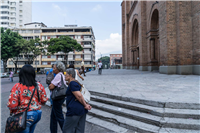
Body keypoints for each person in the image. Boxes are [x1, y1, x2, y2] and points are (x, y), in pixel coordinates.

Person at [7, 64, 48, 133]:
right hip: (37, 114)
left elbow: (12, 105)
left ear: (21, 74)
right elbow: (44, 100)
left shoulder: (17, 86)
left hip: (24, 116)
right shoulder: (39, 85)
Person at [63, 68, 92, 133]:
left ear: (70, 75)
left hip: (74, 111)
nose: (64, 76)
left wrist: (85, 105)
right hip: (81, 110)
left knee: (67, 130)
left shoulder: (72, 83)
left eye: (66, 74)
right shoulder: (76, 82)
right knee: (79, 130)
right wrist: (86, 105)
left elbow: (79, 96)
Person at [49, 61, 66, 133]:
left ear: (58, 69)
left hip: (57, 98)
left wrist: (51, 85)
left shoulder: (58, 76)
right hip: (60, 97)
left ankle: (66, 131)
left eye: (54, 68)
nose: (53, 69)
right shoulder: (62, 75)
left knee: (59, 117)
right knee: (53, 117)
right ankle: (53, 131)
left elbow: (51, 86)